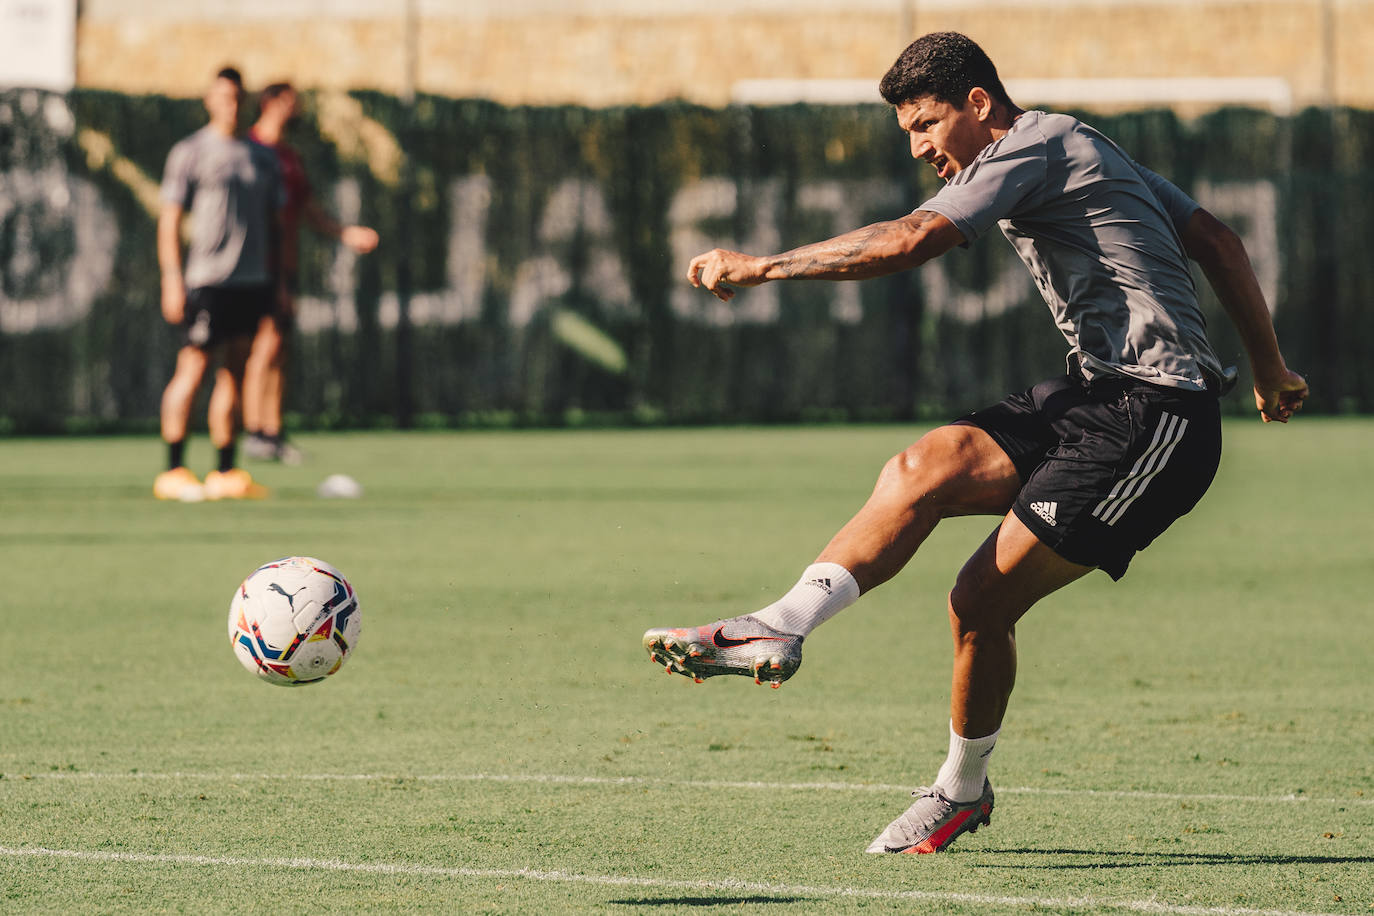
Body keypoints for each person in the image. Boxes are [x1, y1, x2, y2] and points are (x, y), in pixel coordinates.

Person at [643, 32, 1308, 855]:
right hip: (1098, 392)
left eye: (926, 125)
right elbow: (1217, 241)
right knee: (923, 467)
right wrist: (1271, 369)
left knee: (978, 601)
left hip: (1160, 420)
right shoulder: (1079, 142)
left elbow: (906, 242)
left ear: (979, 106)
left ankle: (960, 790)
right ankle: (776, 626)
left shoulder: (1039, 145)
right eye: (910, 134)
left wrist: (762, 268)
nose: (922, 148)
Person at [153, 67, 285, 502]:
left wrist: (280, 281)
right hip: (206, 280)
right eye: (223, 97)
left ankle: (225, 470)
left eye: (237, 97)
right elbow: (170, 220)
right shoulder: (190, 152)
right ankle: (172, 468)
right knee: (192, 368)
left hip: (251, 282)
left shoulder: (262, 157)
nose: (231, 105)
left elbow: (278, 222)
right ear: (210, 100)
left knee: (235, 372)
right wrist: (172, 279)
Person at [239, 81, 380, 465]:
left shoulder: (289, 157)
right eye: (290, 101)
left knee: (280, 348)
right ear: (270, 103)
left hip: (285, 266)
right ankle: (255, 432)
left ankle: (273, 430)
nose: (297, 108)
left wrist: (344, 232)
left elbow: (306, 210)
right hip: (255, 267)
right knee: (264, 346)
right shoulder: (249, 152)